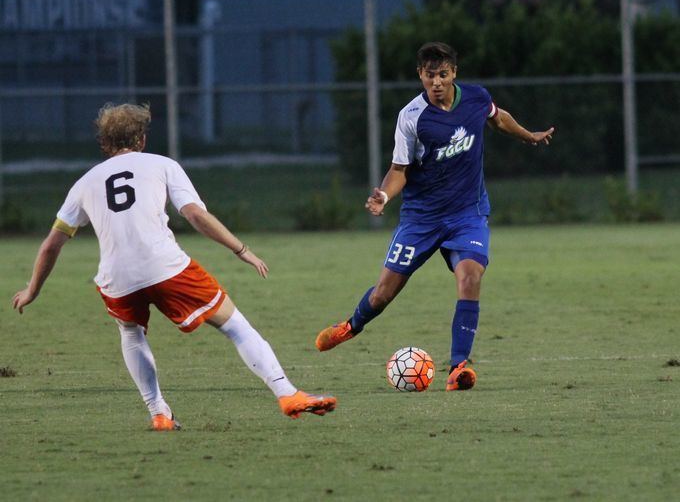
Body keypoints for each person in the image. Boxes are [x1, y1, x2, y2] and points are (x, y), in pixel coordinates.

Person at [12, 103, 336, 430]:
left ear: (104, 142)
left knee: (131, 333)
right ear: (141, 138)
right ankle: (286, 392)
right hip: (165, 267)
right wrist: (241, 250)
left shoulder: (85, 183)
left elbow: (52, 243)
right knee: (235, 326)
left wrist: (32, 290)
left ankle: (158, 413)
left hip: (117, 279)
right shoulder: (162, 165)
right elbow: (195, 215)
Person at [315, 42, 554, 390]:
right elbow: (400, 169)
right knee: (383, 293)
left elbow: (497, 117)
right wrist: (383, 194)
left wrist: (528, 136)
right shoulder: (411, 117)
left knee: (470, 276)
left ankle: (459, 368)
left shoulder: (475, 98)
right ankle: (351, 325)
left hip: (466, 214)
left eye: (443, 74)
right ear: (421, 76)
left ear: (454, 73)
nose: (437, 82)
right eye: (430, 76)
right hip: (421, 218)